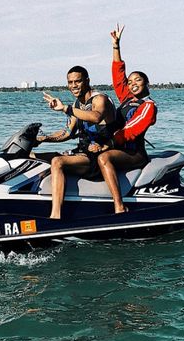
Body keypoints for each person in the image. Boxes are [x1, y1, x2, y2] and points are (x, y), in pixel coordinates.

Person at [36, 66, 116, 219]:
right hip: (82, 152)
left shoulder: (100, 99)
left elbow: (96, 117)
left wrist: (65, 109)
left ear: (87, 81)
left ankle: (55, 216)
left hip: (99, 153)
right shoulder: (76, 106)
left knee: (57, 161)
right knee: (34, 158)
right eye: (70, 82)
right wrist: (43, 138)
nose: (73, 85)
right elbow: (67, 133)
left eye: (77, 81)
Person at [96, 23, 157, 213]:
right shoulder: (126, 99)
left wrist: (109, 143)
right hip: (117, 147)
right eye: (130, 82)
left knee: (104, 158)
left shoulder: (149, 106)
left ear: (147, 83)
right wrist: (116, 45)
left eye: (137, 80)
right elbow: (118, 75)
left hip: (134, 154)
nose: (132, 84)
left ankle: (119, 206)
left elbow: (133, 130)